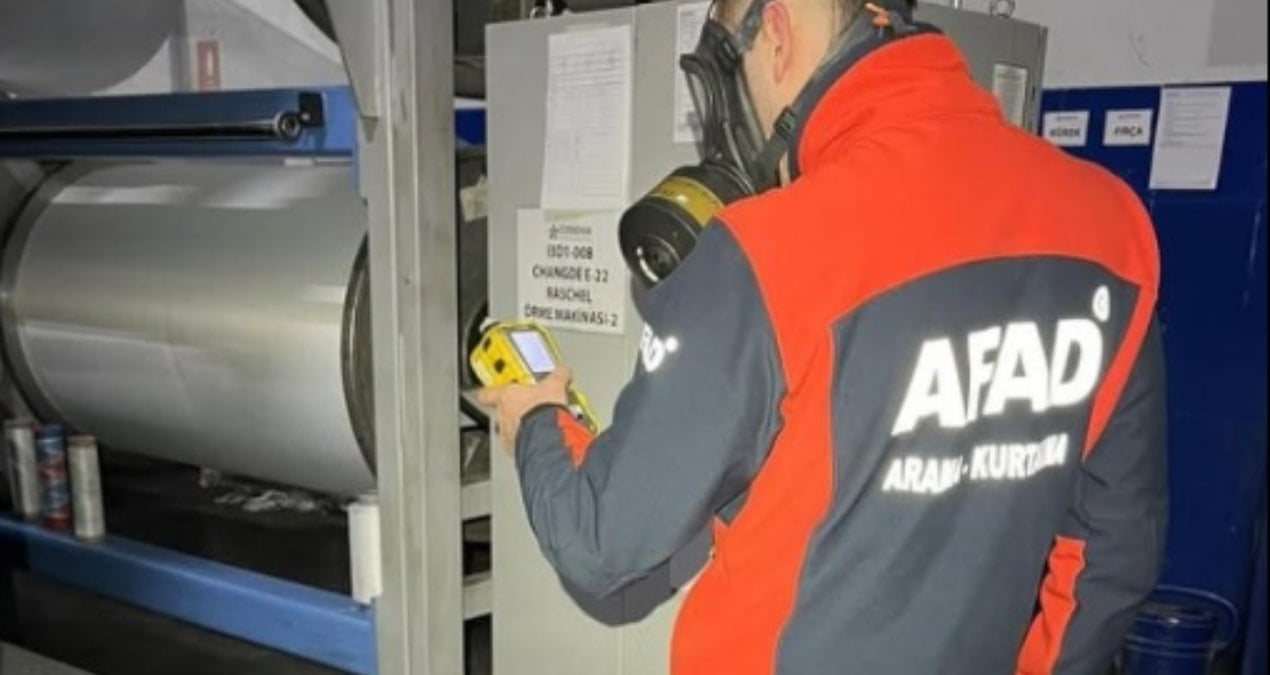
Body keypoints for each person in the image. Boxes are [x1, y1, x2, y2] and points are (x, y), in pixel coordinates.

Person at [478, 0, 1168, 672]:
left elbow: (601, 538)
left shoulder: (768, 250)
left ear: (775, 33)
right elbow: (1113, 548)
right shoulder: (1109, 223)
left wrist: (538, 417)